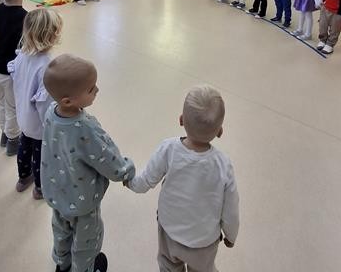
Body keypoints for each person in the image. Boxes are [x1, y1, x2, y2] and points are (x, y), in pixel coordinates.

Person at [127, 85, 239, 272]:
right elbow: (231, 209)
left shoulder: (168, 149)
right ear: (220, 131)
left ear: (181, 120)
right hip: (204, 241)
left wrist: (129, 181)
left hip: (169, 231)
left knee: (168, 265)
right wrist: (231, 235)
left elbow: (146, 180)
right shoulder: (223, 165)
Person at [41, 54, 135, 272]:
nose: (97, 90)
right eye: (91, 89)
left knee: (61, 231)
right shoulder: (85, 128)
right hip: (82, 201)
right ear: (68, 100)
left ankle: (62, 264)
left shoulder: (50, 113)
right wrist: (125, 171)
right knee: (86, 242)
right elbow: (106, 157)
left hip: (57, 193)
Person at [8, 9, 63, 200]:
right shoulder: (47, 64)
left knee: (24, 148)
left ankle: (23, 178)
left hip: (23, 116)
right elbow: (44, 103)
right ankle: (40, 188)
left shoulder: (22, 55)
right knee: (41, 156)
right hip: (39, 123)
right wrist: (51, 125)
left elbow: (16, 79)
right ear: (53, 35)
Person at [0, 0, 28, 156]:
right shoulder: (25, 18)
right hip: (11, 73)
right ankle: (13, 140)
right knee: (13, 107)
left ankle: (5, 134)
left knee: (3, 103)